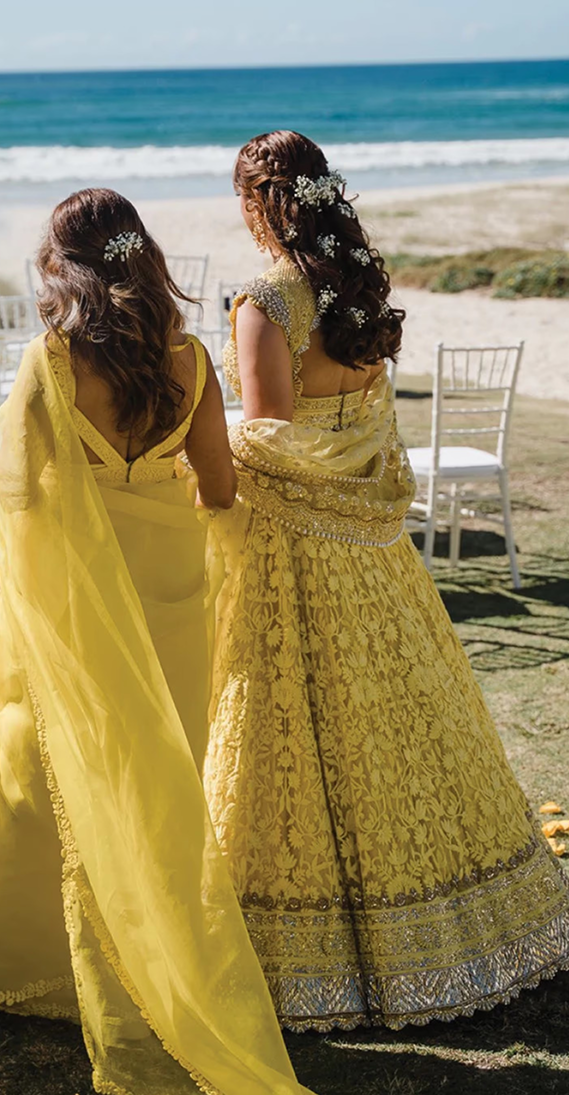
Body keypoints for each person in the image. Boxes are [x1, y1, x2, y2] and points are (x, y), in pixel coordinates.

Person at [0, 188, 438, 1095]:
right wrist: (158, 485)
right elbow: (220, 487)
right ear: (143, 260)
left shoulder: (50, 364)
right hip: (173, 596)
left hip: (74, 601)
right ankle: (138, 947)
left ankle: (28, 964)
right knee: (159, 782)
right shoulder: (188, 359)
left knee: (39, 774)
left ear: (62, 268)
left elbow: (16, 498)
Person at [204, 130, 569, 1034]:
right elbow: (357, 419)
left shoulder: (266, 299)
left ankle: (304, 949)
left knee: (293, 723)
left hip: (293, 548)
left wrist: (198, 439)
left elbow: (272, 439)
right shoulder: (357, 283)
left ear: (258, 200)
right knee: (399, 710)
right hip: (372, 547)